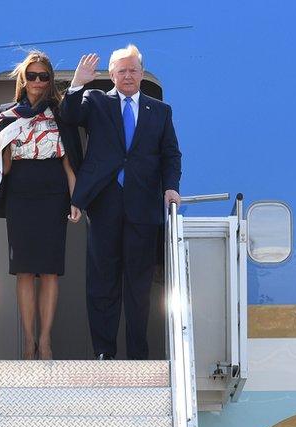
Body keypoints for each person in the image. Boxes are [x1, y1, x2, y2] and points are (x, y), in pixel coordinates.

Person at [61, 45, 181, 360]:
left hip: (143, 205)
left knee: (139, 286)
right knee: (103, 282)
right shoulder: (95, 101)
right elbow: (69, 117)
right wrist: (77, 84)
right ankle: (104, 351)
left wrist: (171, 187)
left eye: (133, 70)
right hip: (104, 203)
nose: (127, 76)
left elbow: (171, 154)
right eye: (121, 71)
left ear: (142, 73)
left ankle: (138, 353)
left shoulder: (161, 111)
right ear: (112, 74)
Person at [0, 50, 83, 360]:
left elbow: (68, 160)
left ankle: (45, 341)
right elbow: (3, 164)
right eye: (31, 75)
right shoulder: (7, 113)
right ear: (23, 79)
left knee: (49, 271)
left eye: (43, 76)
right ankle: (28, 341)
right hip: (20, 191)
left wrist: (77, 200)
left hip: (53, 191)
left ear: (49, 81)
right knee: (23, 271)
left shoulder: (61, 113)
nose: (37, 81)